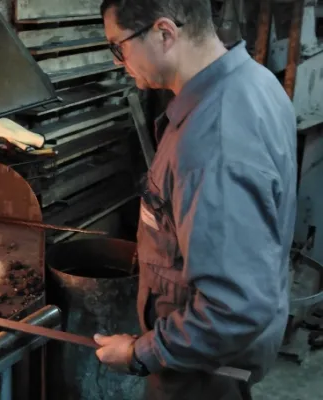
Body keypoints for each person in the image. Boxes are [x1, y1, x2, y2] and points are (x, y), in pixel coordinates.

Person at [92, 1, 298, 399]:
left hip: (202, 370)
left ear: (165, 33)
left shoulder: (213, 142)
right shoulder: (254, 81)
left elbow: (233, 310)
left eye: (119, 46)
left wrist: (140, 353)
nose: (119, 62)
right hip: (211, 357)